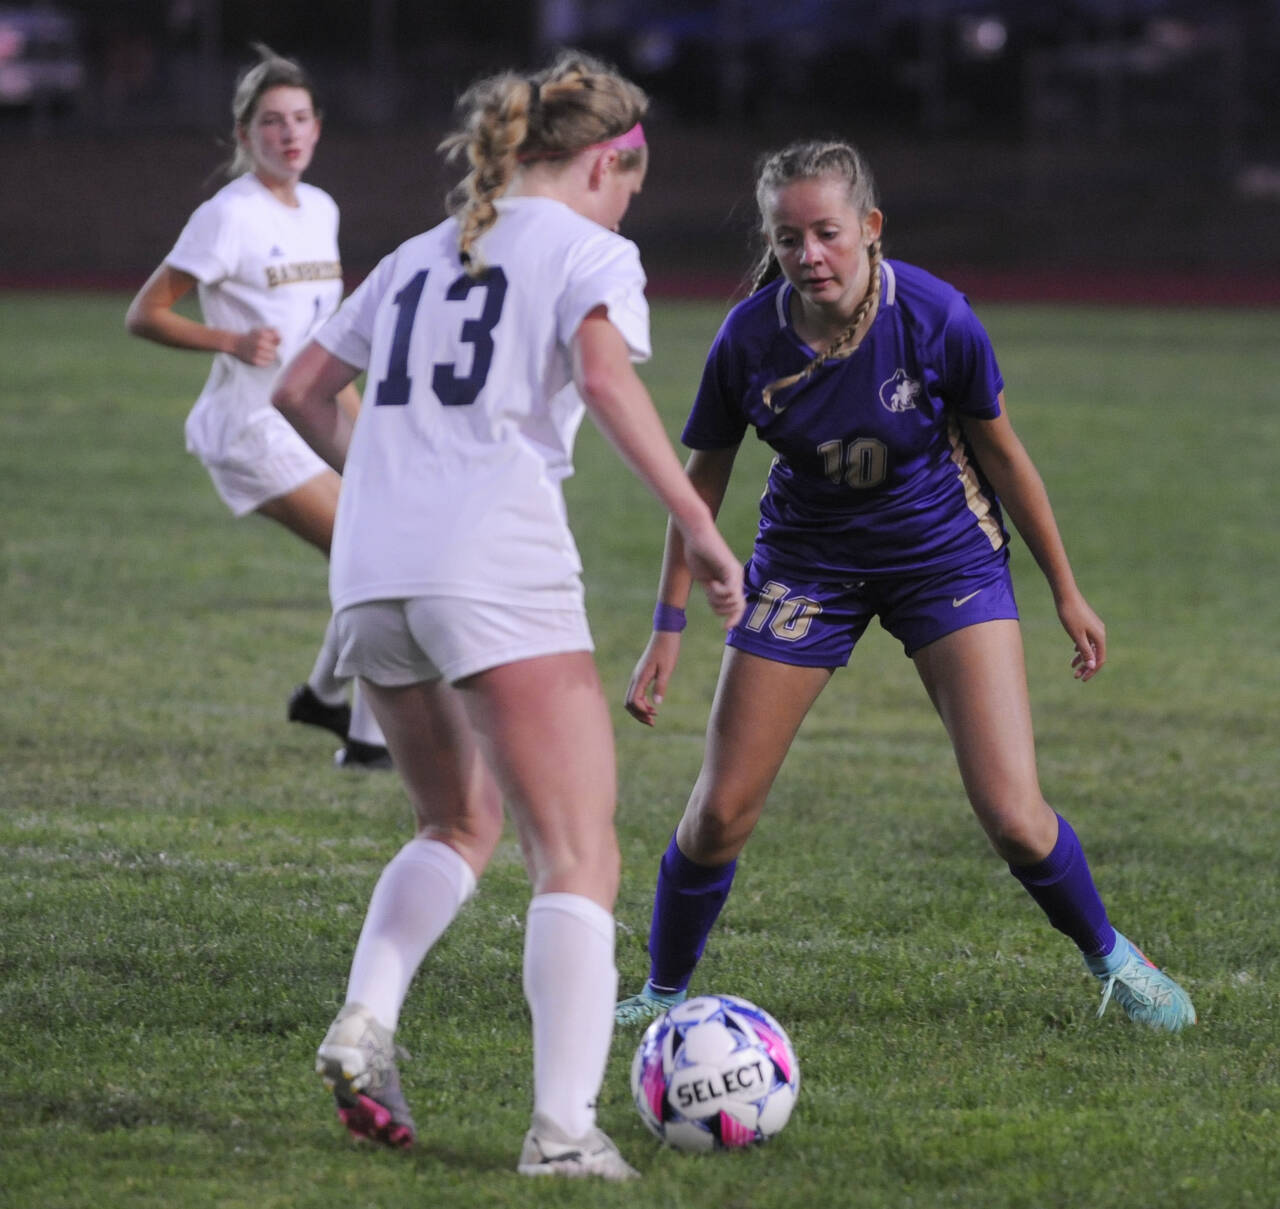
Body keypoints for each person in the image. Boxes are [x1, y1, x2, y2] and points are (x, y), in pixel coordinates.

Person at [271, 52, 745, 1180]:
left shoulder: (418, 253)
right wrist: (702, 529)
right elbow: (608, 381)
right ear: (608, 158)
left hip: (371, 571)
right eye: (633, 176)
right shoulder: (591, 249)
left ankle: (365, 1017)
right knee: (577, 853)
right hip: (492, 567)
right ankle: (563, 1133)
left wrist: (391, 480)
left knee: (455, 826)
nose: (632, 196)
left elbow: (297, 391)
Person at [614, 139, 1195, 1034]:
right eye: (788, 238)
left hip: (943, 559)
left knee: (1013, 814)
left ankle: (1116, 958)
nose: (810, 255)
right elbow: (700, 487)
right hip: (806, 563)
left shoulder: (936, 316)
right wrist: (668, 624)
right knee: (721, 809)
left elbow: (1004, 456)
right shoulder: (748, 340)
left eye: (828, 233)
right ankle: (659, 996)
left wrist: (1066, 591)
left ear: (870, 228)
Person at [124, 43, 388, 769]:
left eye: (300, 118)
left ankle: (328, 704)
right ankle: (363, 736)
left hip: (309, 417)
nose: (289, 133)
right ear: (245, 137)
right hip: (247, 429)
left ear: (318, 127)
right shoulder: (228, 215)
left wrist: (368, 442)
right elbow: (144, 314)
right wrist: (230, 339)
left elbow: (326, 345)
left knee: (382, 544)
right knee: (375, 555)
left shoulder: (322, 210)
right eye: (272, 122)